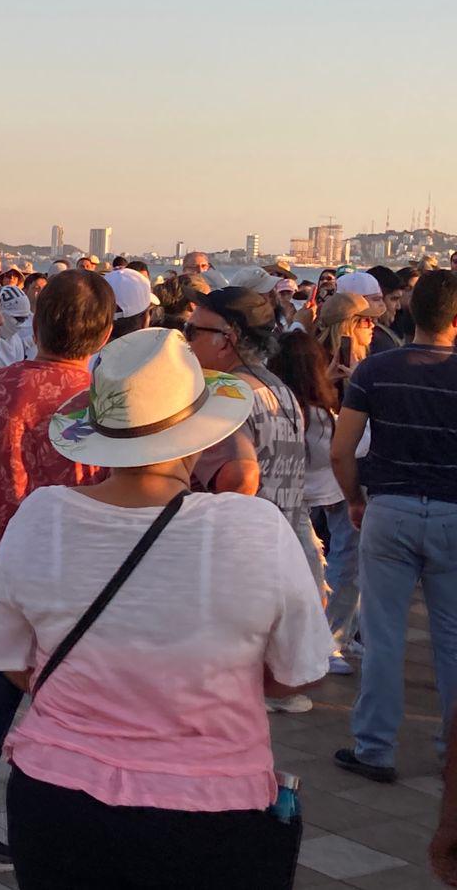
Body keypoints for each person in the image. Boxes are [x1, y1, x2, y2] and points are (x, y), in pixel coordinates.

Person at [0, 327, 331, 888]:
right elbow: (296, 675)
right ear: (200, 434)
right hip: (211, 807)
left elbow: (12, 660)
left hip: (57, 799)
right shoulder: (253, 528)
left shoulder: (41, 517)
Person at [0, 268, 115, 889]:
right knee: (79, 761)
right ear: (106, 334)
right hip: (81, 605)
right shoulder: (107, 405)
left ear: (34, 324)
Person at [332, 269, 457, 785]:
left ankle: (375, 748)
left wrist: (354, 500)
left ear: (410, 311)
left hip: (389, 507)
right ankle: (450, 753)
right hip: (452, 512)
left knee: (383, 636)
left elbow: (342, 450)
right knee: (451, 639)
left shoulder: (376, 370)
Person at [184, 286, 322, 713]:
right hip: (275, 556)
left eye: (193, 331)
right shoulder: (280, 390)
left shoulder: (223, 394)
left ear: (227, 338)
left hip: (230, 564)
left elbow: (242, 477)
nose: (186, 341)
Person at [270, 330, 360, 676]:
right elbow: (349, 448)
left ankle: (332, 638)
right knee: (329, 567)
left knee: (323, 566)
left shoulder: (281, 404)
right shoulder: (316, 413)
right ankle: (329, 640)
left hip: (298, 495)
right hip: (323, 493)